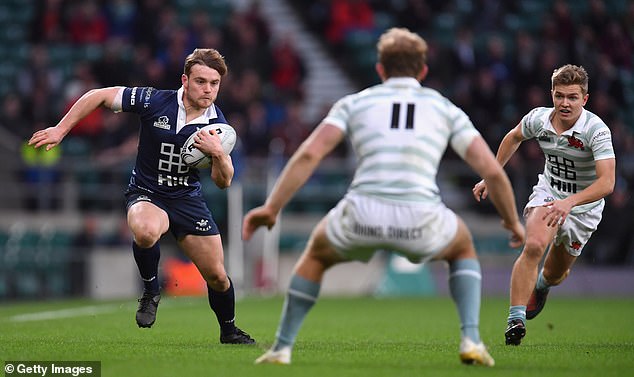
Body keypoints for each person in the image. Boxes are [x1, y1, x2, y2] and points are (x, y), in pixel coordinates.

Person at [242, 27, 525, 366]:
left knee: (315, 256)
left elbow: (308, 155)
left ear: (380, 69)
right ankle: (471, 340)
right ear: (423, 71)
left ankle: (282, 348)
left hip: (362, 212)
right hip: (422, 217)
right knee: (463, 247)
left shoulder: (355, 103)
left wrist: (271, 208)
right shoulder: (443, 108)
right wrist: (511, 221)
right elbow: (493, 172)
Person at [28, 48, 255, 345]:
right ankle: (150, 291)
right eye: (201, 81)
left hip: (187, 199)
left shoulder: (219, 128)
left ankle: (229, 330)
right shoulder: (154, 100)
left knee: (217, 277)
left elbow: (223, 182)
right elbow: (98, 95)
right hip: (148, 192)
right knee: (146, 231)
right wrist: (60, 130)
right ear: (184, 80)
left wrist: (219, 155)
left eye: (214, 83)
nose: (208, 89)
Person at [472, 64, 616, 346]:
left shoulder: (596, 131)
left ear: (584, 100)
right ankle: (516, 319)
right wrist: (491, 174)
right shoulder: (538, 119)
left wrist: (570, 203)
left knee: (555, 273)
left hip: (584, 209)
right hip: (548, 194)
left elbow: (607, 183)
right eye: (560, 95)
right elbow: (513, 137)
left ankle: (542, 286)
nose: (565, 103)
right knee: (535, 244)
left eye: (572, 97)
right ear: (552, 94)